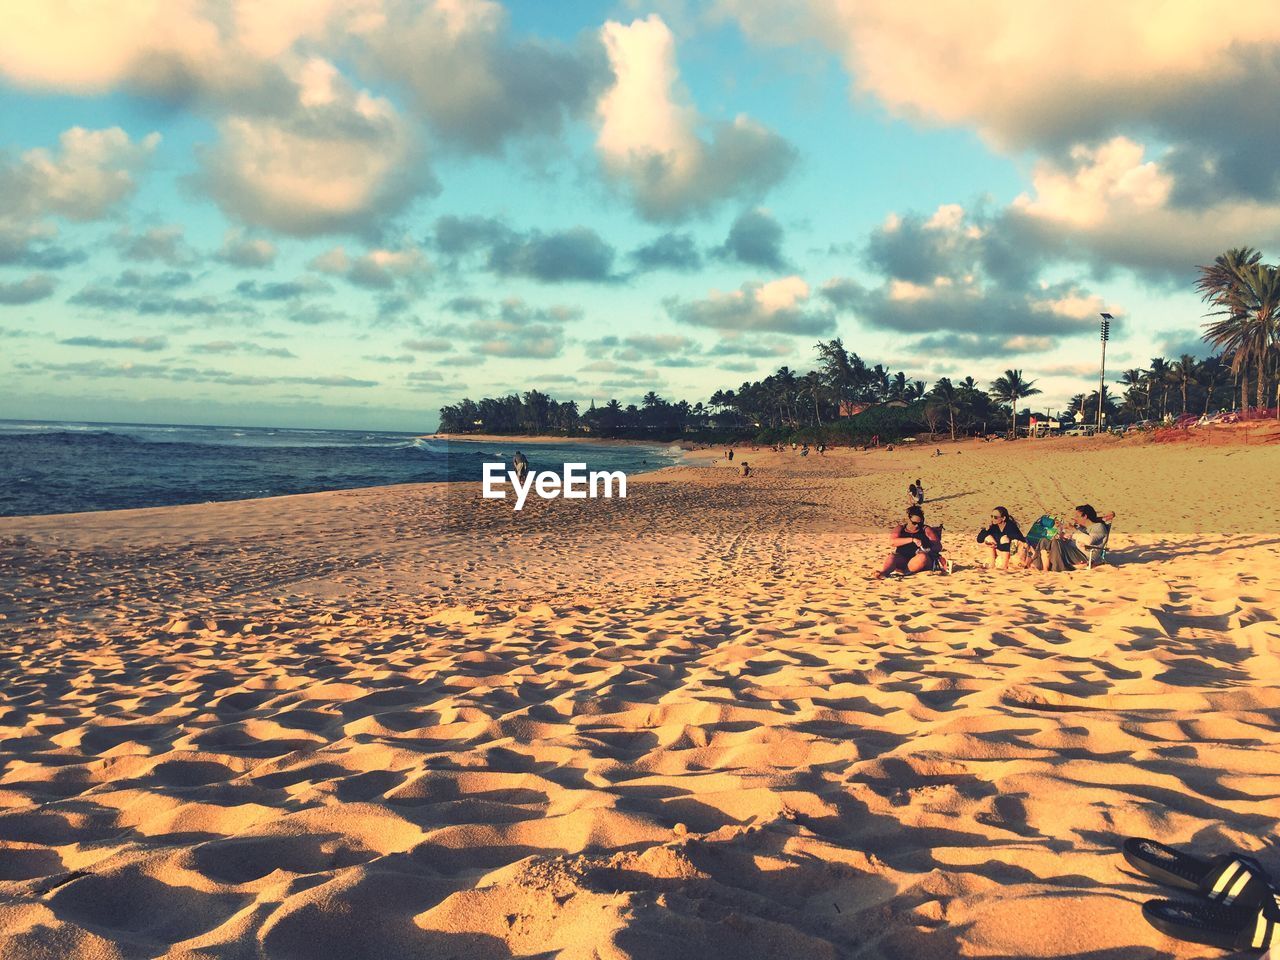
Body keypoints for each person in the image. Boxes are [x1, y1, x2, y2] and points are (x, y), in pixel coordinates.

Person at [1034, 504, 1115, 571]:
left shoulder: (1099, 527)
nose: (1074, 518)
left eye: (1077, 516)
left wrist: (1073, 530)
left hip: (1084, 555)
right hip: (1073, 551)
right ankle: (1042, 567)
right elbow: (1075, 538)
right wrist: (1064, 536)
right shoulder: (1082, 528)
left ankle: (1058, 568)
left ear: (1085, 516)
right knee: (1044, 541)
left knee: (1056, 543)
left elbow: (1089, 541)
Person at [875, 506, 941, 578]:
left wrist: (926, 548)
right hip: (903, 558)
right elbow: (892, 542)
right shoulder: (900, 528)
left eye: (920, 523)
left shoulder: (926, 529)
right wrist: (912, 540)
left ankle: (905, 573)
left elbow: (938, 546)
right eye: (914, 523)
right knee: (892, 556)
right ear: (908, 519)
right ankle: (884, 572)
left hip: (919, 559)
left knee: (922, 557)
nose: (917, 525)